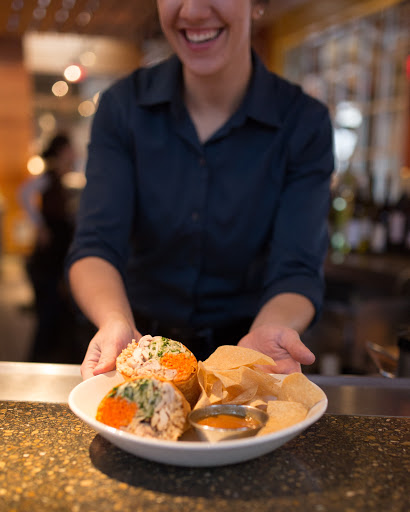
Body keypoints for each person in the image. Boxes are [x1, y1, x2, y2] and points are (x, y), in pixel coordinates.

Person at [66, 0, 334, 380]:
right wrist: (114, 320)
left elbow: (298, 268)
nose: (191, 11)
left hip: (246, 355)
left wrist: (269, 331)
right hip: (139, 346)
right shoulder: (122, 107)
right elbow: (95, 245)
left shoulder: (304, 122)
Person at [20, 133, 77, 362]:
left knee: (53, 315)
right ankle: (35, 362)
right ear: (62, 151)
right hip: (48, 260)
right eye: (70, 149)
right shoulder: (49, 177)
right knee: (48, 315)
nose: (74, 153)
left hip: (56, 257)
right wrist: (40, 225)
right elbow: (23, 193)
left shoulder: (60, 179)